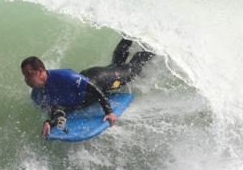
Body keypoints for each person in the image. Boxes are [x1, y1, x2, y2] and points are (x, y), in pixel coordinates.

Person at [21, 38, 154, 138]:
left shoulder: (63, 76)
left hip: (100, 79)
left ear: (40, 71)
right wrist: (50, 122)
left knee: (130, 71)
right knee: (116, 64)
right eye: (25, 75)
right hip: (88, 88)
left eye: (29, 75)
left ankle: (152, 47)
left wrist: (109, 111)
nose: (26, 79)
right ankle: (128, 36)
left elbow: (93, 88)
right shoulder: (37, 95)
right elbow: (58, 110)